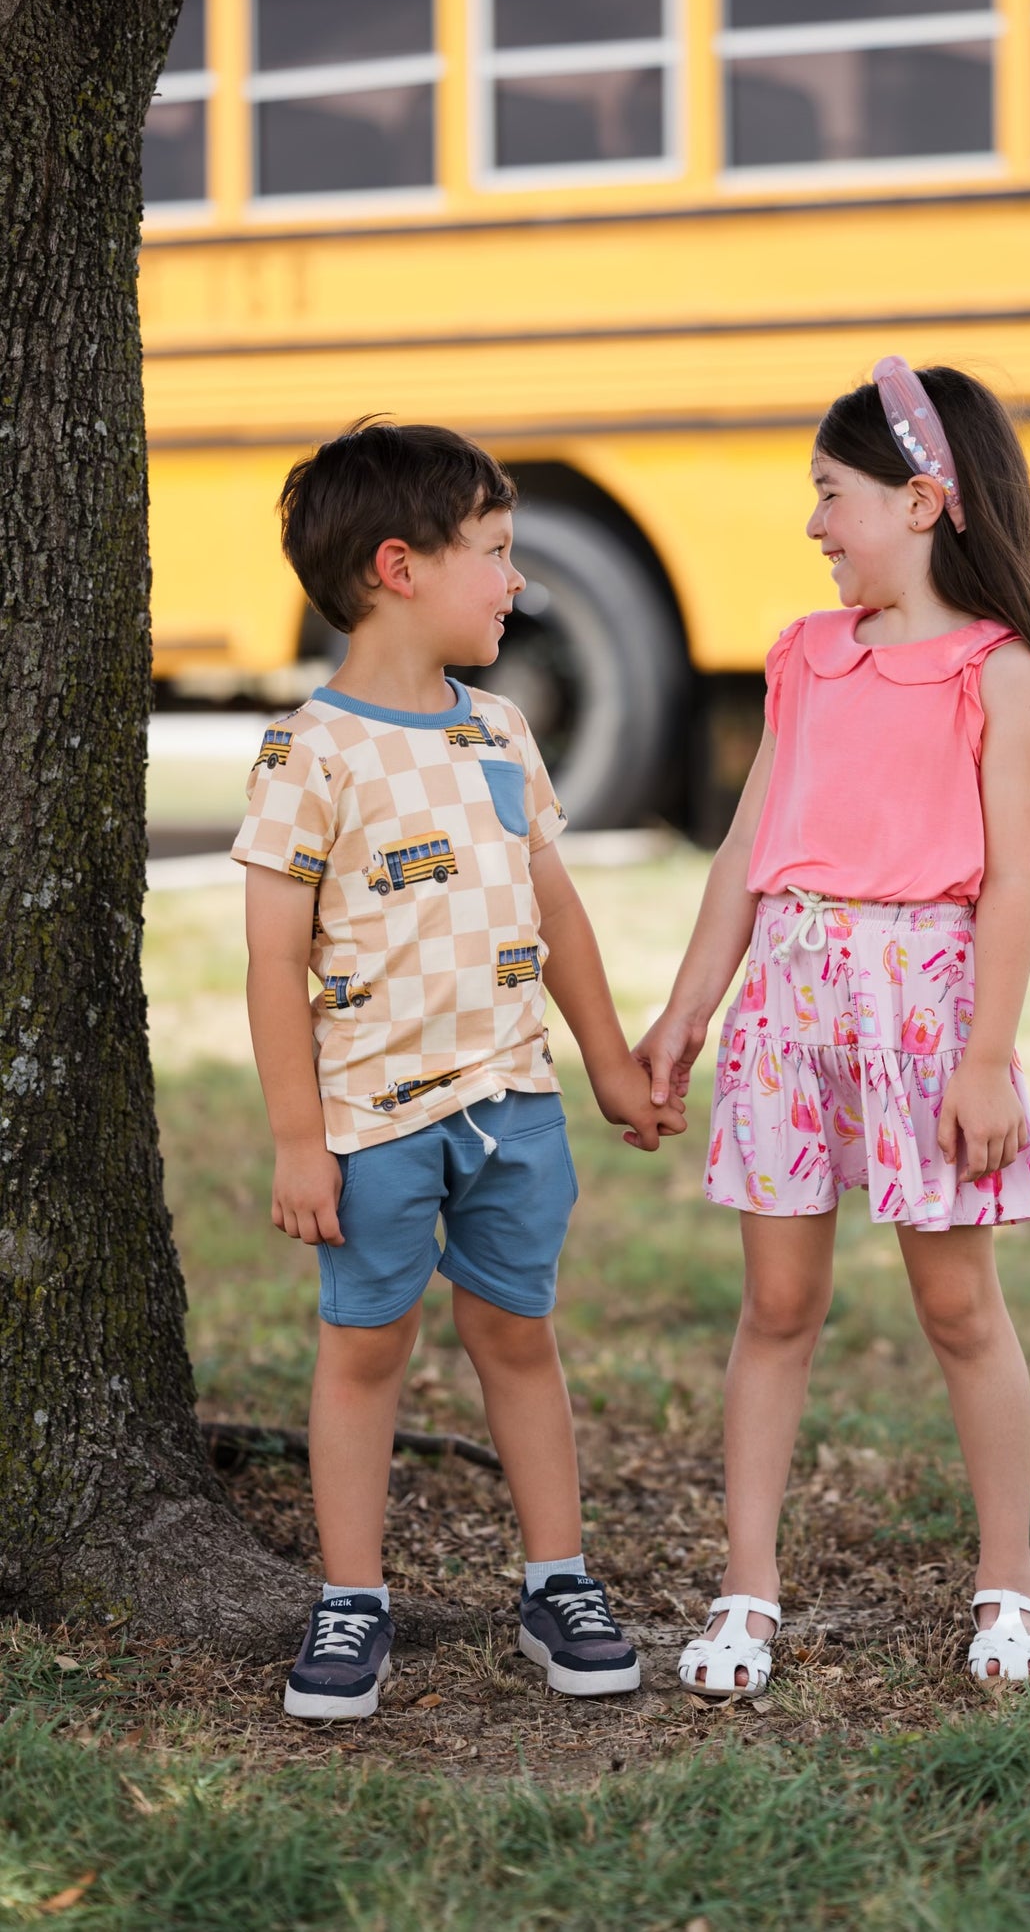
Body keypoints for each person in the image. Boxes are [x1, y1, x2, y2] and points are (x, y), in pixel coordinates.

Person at [635, 360, 1030, 1698]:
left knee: (957, 1304)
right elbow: (745, 848)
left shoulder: (997, 677)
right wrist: (686, 1006)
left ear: (919, 498)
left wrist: (981, 1060)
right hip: (788, 1011)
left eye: (828, 495)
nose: (813, 525)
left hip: (924, 1018)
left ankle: (1008, 1578)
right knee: (776, 1302)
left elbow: (1010, 880)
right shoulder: (803, 658)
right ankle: (747, 1583)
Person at [233, 420, 684, 1721]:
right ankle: (351, 1597)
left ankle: (558, 1579)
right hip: (371, 1122)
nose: (516, 583)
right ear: (397, 567)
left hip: (511, 1108)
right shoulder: (307, 751)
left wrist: (604, 1059)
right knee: (364, 1346)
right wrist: (296, 1135)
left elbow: (553, 905)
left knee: (515, 1333)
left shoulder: (499, 731)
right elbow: (272, 964)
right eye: (492, 552)